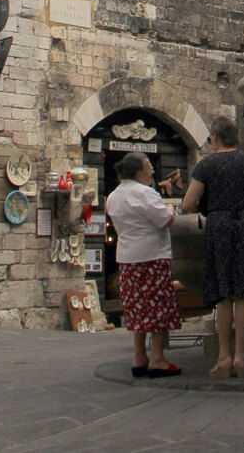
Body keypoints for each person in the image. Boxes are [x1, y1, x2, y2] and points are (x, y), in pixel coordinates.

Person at [182, 116, 244, 378]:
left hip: (219, 225)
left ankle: (223, 358)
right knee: (243, 294)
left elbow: (188, 204)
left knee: (224, 294)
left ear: (215, 137)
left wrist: (207, 211)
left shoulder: (207, 165)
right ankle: (241, 357)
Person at [106, 152, 182, 378]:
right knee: (156, 305)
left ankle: (139, 357)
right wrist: (170, 208)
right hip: (151, 256)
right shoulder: (145, 193)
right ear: (138, 172)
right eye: (149, 167)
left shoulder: (113, 196)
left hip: (127, 257)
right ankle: (157, 358)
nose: (152, 171)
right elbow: (164, 220)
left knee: (137, 306)